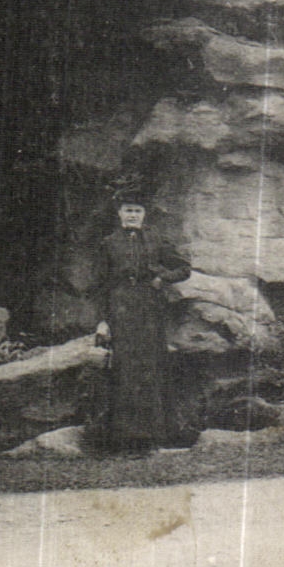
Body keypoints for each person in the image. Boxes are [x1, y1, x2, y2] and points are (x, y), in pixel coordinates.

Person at [89, 189, 192, 453]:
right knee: (124, 370)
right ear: (120, 213)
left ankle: (157, 436)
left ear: (144, 214)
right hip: (120, 309)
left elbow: (183, 268)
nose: (133, 215)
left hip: (150, 309)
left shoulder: (157, 239)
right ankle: (125, 439)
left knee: (151, 368)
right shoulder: (109, 243)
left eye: (137, 211)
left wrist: (161, 277)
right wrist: (102, 321)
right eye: (128, 210)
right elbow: (100, 285)